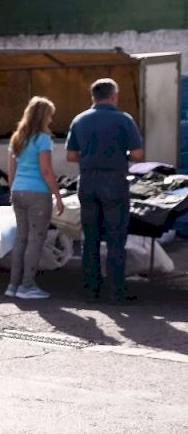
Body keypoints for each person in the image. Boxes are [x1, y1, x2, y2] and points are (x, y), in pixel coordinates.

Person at [66, 78, 144, 303]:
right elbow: (137, 154)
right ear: (114, 95)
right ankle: (116, 291)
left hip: (87, 182)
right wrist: (119, 155)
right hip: (114, 182)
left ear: (93, 96)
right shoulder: (124, 119)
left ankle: (91, 289)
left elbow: (71, 156)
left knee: (90, 237)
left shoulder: (79, 120)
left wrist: (91, 157)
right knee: (115, 238)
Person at [5, 96, 65, 299]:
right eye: (49, 115)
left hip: (18, 191)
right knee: (35, 239)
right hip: (38, 193)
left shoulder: (17, 138)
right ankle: (27, 286)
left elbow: (11, 171)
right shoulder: (43, 139)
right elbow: (46, 170)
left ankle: (13, 285)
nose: (51, 119)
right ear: (43, 116)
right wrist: (58, 195)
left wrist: (13, 191)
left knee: (20, 238)